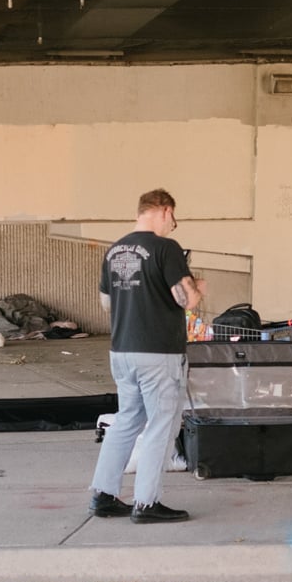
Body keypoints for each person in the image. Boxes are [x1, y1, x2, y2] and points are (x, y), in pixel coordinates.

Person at [88, 189, 204, 523]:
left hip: (122, 351)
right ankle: (147, 503)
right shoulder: (166, 248)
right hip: (159, 353)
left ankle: (103, 495)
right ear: (165, 211)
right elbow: (187, 300)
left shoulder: (114, 250)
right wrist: (198, 287)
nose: (172, 226)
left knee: (127, 420)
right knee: (162, 425)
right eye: (173, 219)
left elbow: (106, 303)